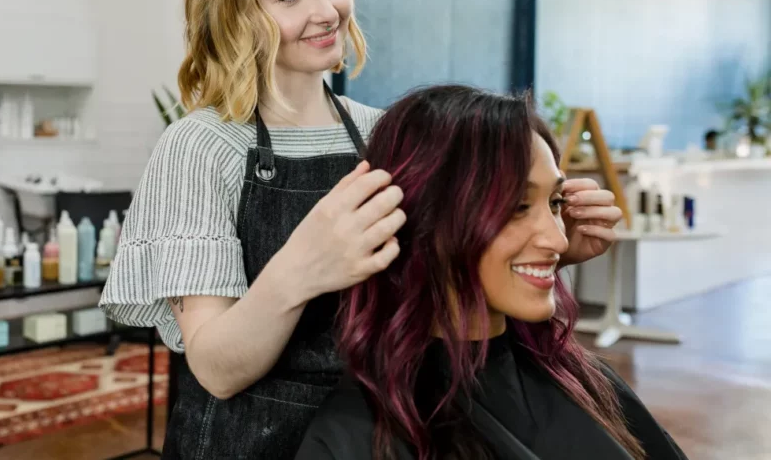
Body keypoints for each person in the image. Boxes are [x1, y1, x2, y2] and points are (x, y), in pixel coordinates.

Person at [98, 0, 624, 460]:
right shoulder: (201, 147)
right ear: (233, 11)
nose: (327, 9)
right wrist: (301, 268)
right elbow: (216, 369)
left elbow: (440, 285)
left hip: (379, 433)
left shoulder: (382, 134)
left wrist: (545, 247)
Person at [295, 85, 688, 460]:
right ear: (427, 218)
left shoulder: (580, 378)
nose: (559, 240)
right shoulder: (354, 436)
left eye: (553, 202)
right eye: (517, 206)